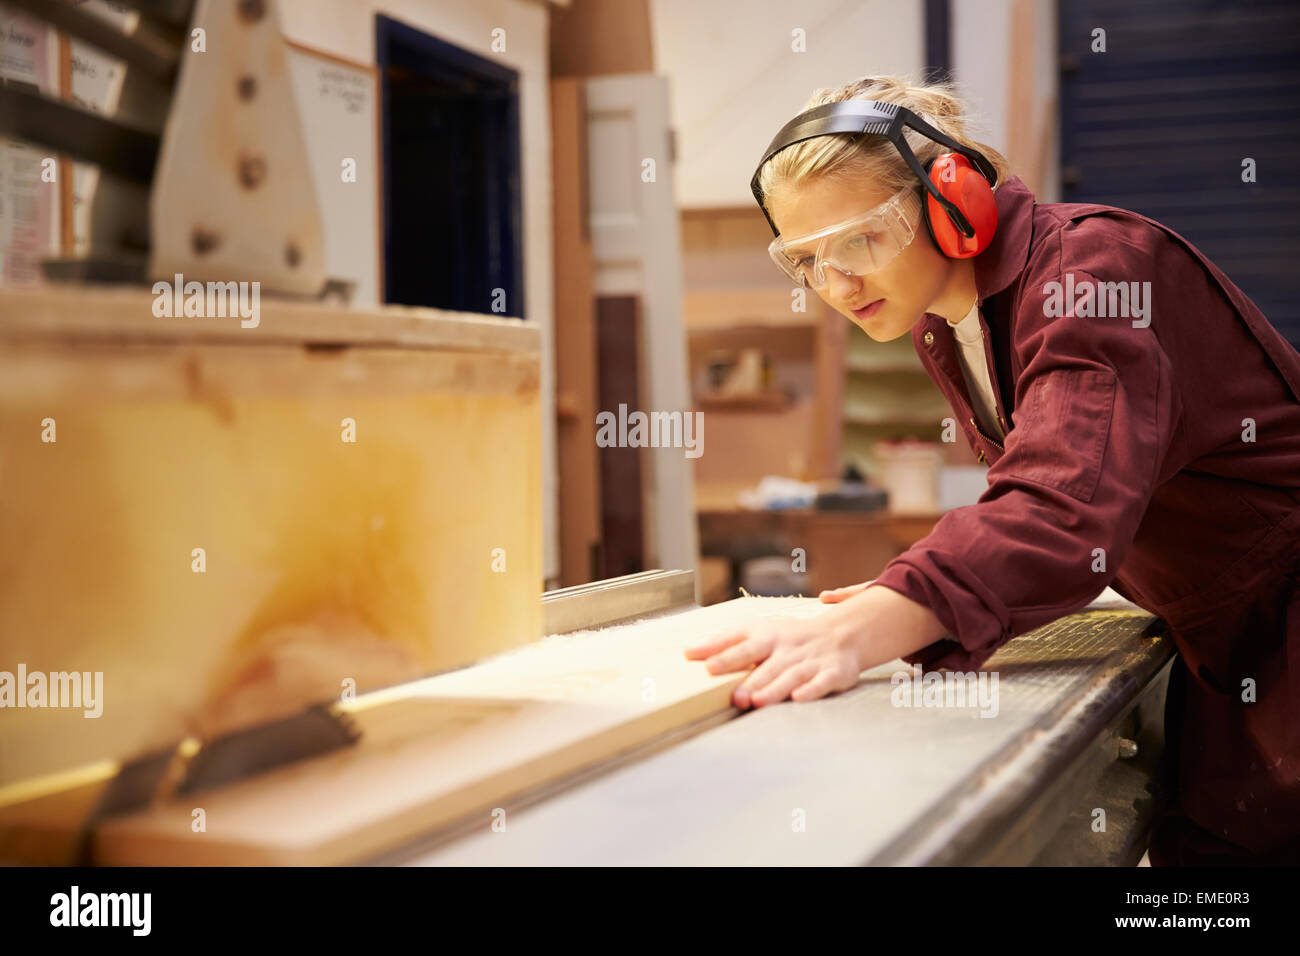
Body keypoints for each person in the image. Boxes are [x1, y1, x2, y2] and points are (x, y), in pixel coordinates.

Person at [685, 75, 1300, 865]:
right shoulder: (946, 325)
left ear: (955, 200)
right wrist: (910, 591)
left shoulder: (1092, 269)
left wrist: (889, 613)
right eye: (805, 260)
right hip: (1225, 632)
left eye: (859, 239)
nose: (835, 285)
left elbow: (1063, 503)